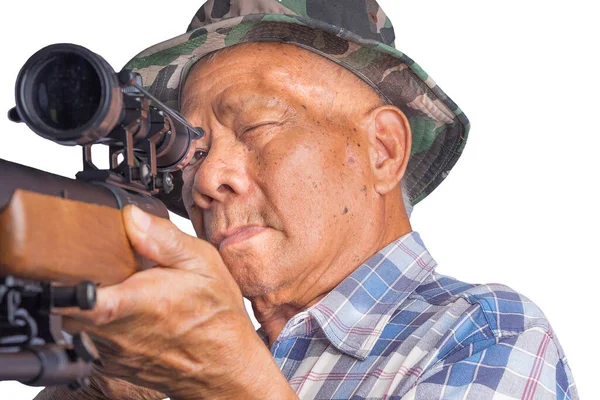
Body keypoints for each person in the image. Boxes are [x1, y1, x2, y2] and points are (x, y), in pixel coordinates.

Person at [35, 0, 578, 399]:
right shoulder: (166, 367)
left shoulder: (484, 333)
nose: (206, 180)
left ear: (383, 151)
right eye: (192, 150)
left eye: (257, 126)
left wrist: (227, 384)